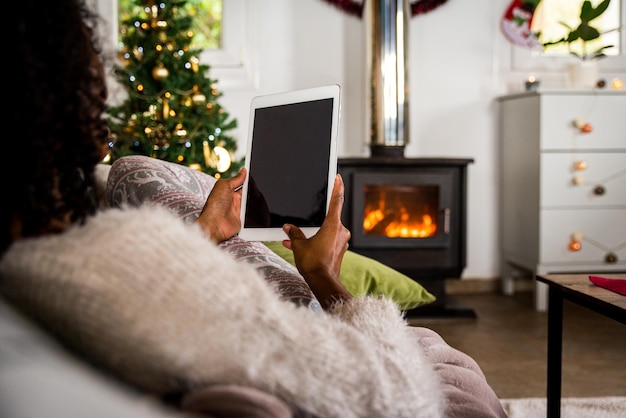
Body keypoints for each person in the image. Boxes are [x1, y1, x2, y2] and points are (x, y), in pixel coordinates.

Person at [2, 1, 507, 417]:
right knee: (435, 353)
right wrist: (325, 277)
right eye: (94, 102)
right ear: (57, 109)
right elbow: (400, 396)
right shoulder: (109, 263)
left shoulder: (26, 265)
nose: (104, 111)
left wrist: (202, 236)